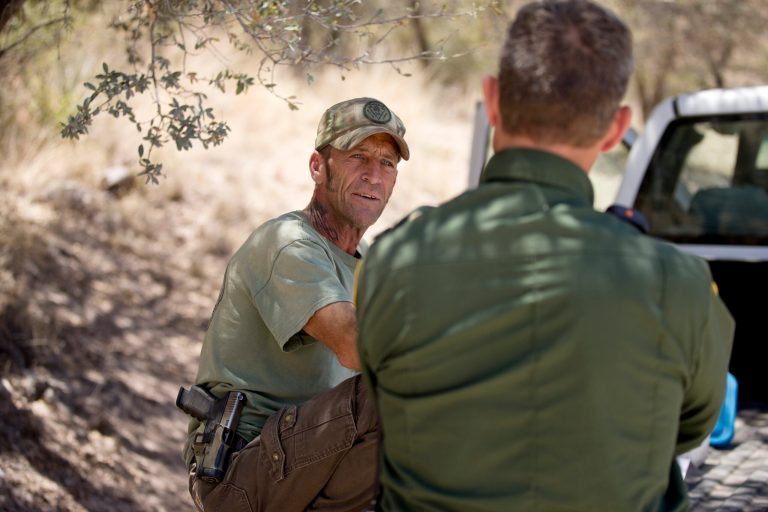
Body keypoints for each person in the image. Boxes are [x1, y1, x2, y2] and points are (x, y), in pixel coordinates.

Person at [354, 2, 735, 511]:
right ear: (617, 128)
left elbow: (381, 392)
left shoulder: (392, 260)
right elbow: (692, 426)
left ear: (491, 101)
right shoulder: (678, 282)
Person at [181, 97, 409, 512]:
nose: (374, 176)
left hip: (315, 463)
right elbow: (358, 344)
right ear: (318, 167)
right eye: (358, 156)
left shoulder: (373, 264)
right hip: (242, 470)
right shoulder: (288, 243)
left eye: (387, 163)